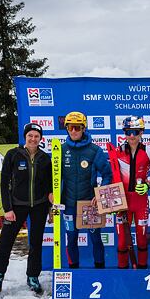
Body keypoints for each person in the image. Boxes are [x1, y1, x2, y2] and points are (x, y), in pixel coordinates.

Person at [0, 123, 52, 299]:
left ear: (40, 139)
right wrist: (8, 208)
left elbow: (49, 184)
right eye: (30, 136)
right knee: (5, 243)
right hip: (16, 206)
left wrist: (50, 203)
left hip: (40, 205)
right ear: (25, 137)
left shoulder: (45, 158)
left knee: (36, 243)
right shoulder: (13, 154)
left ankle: (33, 276)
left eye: (36, 136)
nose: (33, 139)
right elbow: (4, 183)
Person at [61, 111, 113, 269]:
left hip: (89, 204)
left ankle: (100, 271)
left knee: (96, 238)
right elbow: (53, 178)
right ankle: (73, 273)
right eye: (70, 127)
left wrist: (100, 193)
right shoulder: (61, 150)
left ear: (84, 128)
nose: (74, 131)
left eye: (77, 127)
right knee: (71, 239)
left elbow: (107, 174)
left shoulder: (95, 150)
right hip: (68, 204)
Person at [114, 116, 150, 268]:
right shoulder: (117, 151)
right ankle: (122, 274)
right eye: (128, 132)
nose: (131, 136)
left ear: (141, 133)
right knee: (122, 242)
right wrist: (112, 202)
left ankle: (142, 272)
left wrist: (149, 184)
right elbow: (113, 177)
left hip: (140, 201)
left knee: (141, 238)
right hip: (123, 202)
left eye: (135, 132)